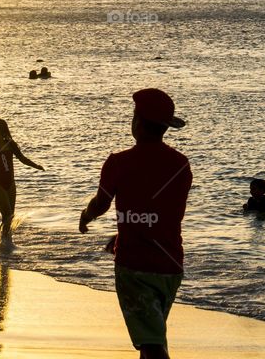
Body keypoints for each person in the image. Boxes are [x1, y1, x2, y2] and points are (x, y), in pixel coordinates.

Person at [78, 89, 191, 359]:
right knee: (152, 336)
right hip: (170, 265)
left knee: (151, 343)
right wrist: (123, 233)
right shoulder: (181, 164)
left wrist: (86, 215)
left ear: (137, 122)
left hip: (135, 266)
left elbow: (102, 204)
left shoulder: (118, 162)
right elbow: (163, 212)